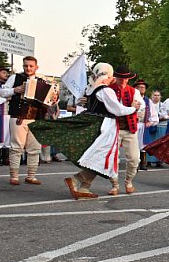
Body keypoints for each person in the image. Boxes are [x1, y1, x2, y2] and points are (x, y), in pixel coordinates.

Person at [30, 63, 140, 199]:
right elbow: (117, 110)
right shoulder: (106, 90)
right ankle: (76, 180)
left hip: (96, 124)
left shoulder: (91, 89)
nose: (113, 79)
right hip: (104, 127)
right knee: (100, 159)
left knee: (96, 158)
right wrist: (133, 108)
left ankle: (84, 187)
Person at [0, 56, 56, 185]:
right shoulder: (15, 78)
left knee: (34, 148)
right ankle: (14, 176)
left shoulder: (42, 81)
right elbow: (1, 92)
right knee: (16, 147)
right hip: (19, 117)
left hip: (36, 118)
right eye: (26, 66)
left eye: (31, 66)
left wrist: (51, 100)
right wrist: (14, 90)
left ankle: (31, 175)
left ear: (36, 67)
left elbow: (50, 100)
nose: (28, 68)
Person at [107, 65, 144, 195]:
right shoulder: (109, 90)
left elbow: (140, 105)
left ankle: (128, 181)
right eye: (120, 78)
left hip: (130, 128)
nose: (123, 81)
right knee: (113, 159)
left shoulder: (134, 91)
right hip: (113, 128)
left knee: (134, 159)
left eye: (126, 79)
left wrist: (137, 107)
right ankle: (115, 184)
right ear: (115, 77)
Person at [134, 79, 159, 171]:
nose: (142, 89)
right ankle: (135, 164)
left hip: (143, 125)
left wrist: (150, 122)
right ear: (136, 88)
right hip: (134, 124)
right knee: (134, 145)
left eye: (143, 87)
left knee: (143, 145)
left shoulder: (148, 101)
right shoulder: (132, 98)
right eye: (140, 87)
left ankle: (143, 163)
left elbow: (154, 114)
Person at [148, 89, 166, 167]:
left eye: (158, 95)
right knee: (150, 143)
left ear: (160, 97)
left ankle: (159, 160)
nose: (156, 97)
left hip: (161, 126)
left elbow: (166, 115)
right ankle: (148, 160)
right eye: (154, 95)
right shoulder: (148, 105)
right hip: (151, 125)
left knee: (160, 144)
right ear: (151, 96)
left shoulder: (162, 105)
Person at [0, 65, 10, 166]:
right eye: (4, 72)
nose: (6, 74)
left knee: (7, 136)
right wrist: (6, 99)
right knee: (0, 135)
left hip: (7, 114)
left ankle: (6, 157)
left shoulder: (7, 86)